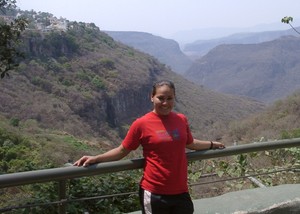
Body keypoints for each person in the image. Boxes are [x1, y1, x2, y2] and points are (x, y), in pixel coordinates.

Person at [74, 80, 225, 214]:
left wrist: (212, 144)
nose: (165, 103)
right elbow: (122, 151)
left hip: (181, 191)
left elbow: (190, 143)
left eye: (169, 98)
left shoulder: (181, 119)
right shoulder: (141, 124)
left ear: (174, 98)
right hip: (154, 193)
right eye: (161, 98)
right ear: (152, 97)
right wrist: (95, 159)